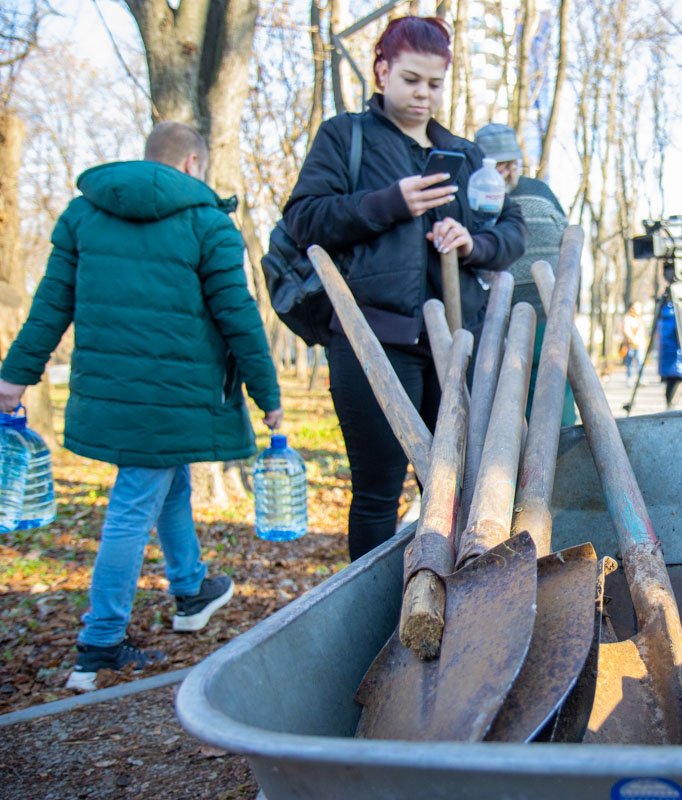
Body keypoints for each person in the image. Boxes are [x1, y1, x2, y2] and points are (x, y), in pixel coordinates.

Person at [0, 121, 282, 691]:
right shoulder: (209, 225)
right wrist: (268, 397)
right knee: (132, 508)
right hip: (176, 401)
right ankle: (99, 643)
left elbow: (50, 307)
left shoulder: (83, 217)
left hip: (112, 398)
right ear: (193, 163)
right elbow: (240, 320)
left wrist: (14, 377)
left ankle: (191, 590)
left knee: (168, 483)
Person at [283, 17, 525, 561]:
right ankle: (374, 622)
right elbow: (303, 218)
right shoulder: (345, 138)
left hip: (455, 346)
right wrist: (390, 203)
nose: (423, 95)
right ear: (382, 71)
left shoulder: (463, 156)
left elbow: (511, 229)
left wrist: (472, 243)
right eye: (411, 80)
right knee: (377, 491)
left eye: (434, 84)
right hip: (372, 343)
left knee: (452, 486)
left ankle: (454, 599)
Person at [474, 122, 574, 425]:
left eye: (510, 164)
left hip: (548, 313)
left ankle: (563, 463)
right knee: (504, 411)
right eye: (498, 165)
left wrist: (569, 301)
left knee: (557, 408)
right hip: (497, 319)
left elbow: (567, 242)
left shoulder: (540, 192)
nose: (506, 172)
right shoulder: (475, 196)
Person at [658, 299, 682, 408]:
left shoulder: (663, 317)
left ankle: (669, 403)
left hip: (665, 357)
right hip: (676, 356)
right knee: (677, 380)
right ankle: (671, 405)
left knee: (670, 382)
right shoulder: (677, 319)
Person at [622, 303, 648, 384]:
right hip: (631, 344)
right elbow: (626, 331)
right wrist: (632, 340)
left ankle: (640, 379)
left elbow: (643, 332)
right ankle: (629, 378)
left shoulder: (640, 319)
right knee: (629, 362)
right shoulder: (628, 318)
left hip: (640, 345)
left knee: (640, 362)